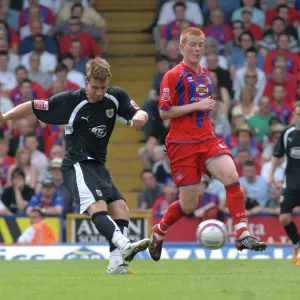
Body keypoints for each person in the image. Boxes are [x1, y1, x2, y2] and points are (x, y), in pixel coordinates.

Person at [0, 57, 150, 274]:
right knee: (97, 205)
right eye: (95, 88)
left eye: (103, 87)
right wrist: (5, 117)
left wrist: (140, 118)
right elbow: (33, 106)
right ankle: (124, 244)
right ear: (87, 81)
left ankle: (116, 263)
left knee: (121, 208)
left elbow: (139, 111)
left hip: (98, 165)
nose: (99, 92)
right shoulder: (71, 101)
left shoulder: (115, 96)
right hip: (76, 163)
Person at [149, 27, 267, 261]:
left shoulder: (205, 75)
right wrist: (197, 106)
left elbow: (203, 110)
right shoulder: (173, 75)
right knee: (189, 205)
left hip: (207, 141)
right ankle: (159, 230)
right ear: (182, 47)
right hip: (182, 147)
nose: (197, 48)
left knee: (232, 176)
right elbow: (164, 113)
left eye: (200, 44)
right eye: (192, 44)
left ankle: (242, 232)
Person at [268, 101, 300, 266]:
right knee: (284, 218)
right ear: (294, 115)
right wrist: (271, 174)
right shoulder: (288, 133)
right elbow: (277, 154)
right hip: (291, 184)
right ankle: (297, 243)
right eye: (298, 114)